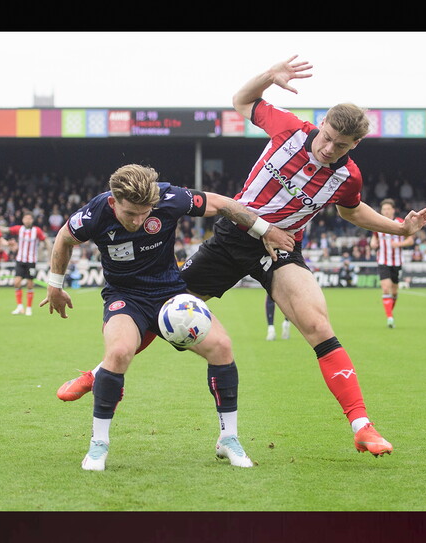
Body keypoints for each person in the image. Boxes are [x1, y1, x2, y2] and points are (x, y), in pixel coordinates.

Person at [179, 55, 426, 457]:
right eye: (328, 136)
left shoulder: (348, 176)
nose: (329, 148)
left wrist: (402, 227)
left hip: (281, 248)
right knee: (169, 304)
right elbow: (240, 100)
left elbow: (352, 210)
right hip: (235, 234)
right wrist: (268, 76)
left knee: (317, 323)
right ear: (322, 124)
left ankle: (362, 425)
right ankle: (102, 371)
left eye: (341, 145)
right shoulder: (288, 128)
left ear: (355, 145)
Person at [42, 164, 295, 471]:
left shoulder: (170, 198)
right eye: (129, 214)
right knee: (119, 352)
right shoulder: (95, 212)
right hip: (125, 297)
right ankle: (99, 444)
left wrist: (264, 230)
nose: (137, 221)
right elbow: (64, 239)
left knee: (222, 347)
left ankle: (228, 439)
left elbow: (222, 204)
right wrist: (55, 286)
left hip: (171, 295)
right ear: (114, 203)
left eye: (144, 213)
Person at [368, 198, 415, 328]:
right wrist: (372, 243)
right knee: (385, 288)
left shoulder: (400, 222)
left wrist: (399, 244)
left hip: (397, 261)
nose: (386, 211)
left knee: (394, 292)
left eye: (388, 209)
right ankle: (389, 318)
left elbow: (410, 240)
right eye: (384, 209)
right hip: (383, 260)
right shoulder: (377, 223)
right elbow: (374, 238)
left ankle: (390, 311)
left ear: (393, 210)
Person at [7, 210, 51, 316]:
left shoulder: (37, 231)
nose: (27, 220)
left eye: (29, 218)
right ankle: (20, 306)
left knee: (30, 284)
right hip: (20, 260)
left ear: (32, 220)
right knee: (16, 282)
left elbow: (46, 241)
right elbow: (6, 230)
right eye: (25, 218)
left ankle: (29, 308)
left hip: (31, 261)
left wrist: (50, 256)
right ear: (23, 220)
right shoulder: (19, 229)